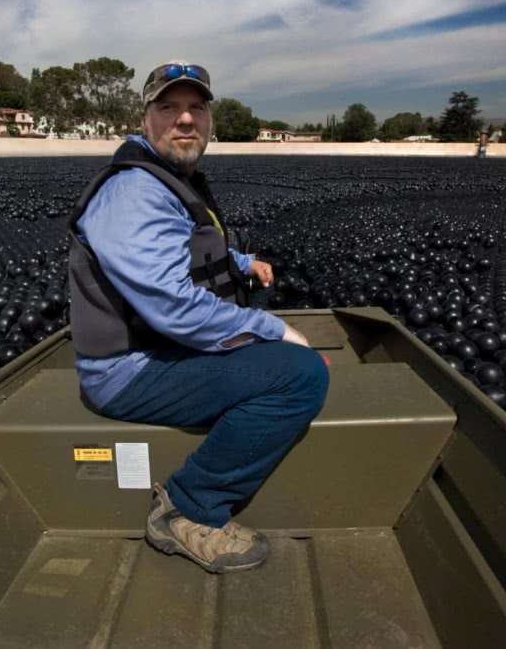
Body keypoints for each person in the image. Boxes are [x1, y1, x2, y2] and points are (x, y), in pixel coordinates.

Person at [67, 61, 330, 573]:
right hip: (129, 369)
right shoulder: (134, 192)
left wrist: (240, 264)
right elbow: (173, 305)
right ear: (146, 119)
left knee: (262, 325)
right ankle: (189, 511)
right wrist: (273, 330)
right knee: (300, 376)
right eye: (169, 108)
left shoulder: (168, 178)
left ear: (210, 120)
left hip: (161, 348)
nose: (185, 119)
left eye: (196, 108)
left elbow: (187, 249)